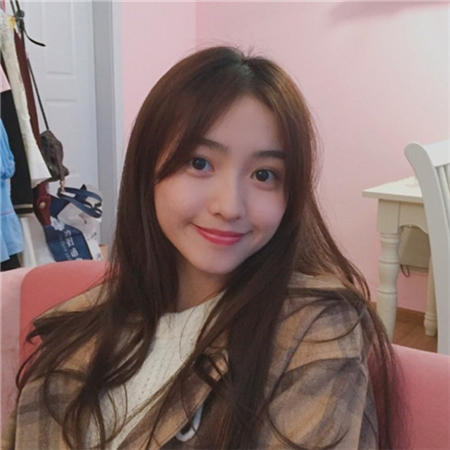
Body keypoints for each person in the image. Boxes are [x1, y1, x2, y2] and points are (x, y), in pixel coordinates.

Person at [3, 46, 409, 449]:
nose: (229, 207)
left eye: (264, 174)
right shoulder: (76, 328)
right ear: (147, 172)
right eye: (199, 163)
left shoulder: (315, 330)